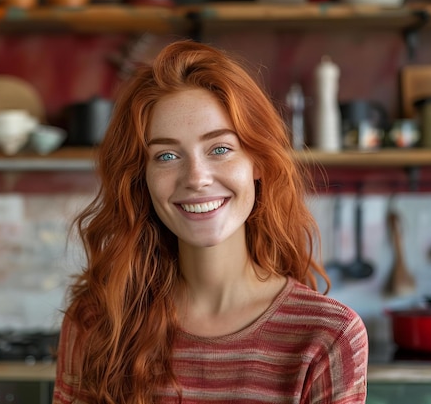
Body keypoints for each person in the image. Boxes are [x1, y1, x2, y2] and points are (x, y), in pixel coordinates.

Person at [53, 40, 368, 404]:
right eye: (167, 155)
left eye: (220, 149)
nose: (197, 178)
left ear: (259, 162)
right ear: (142, 178)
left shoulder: (328, 336)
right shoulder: (96, 321)